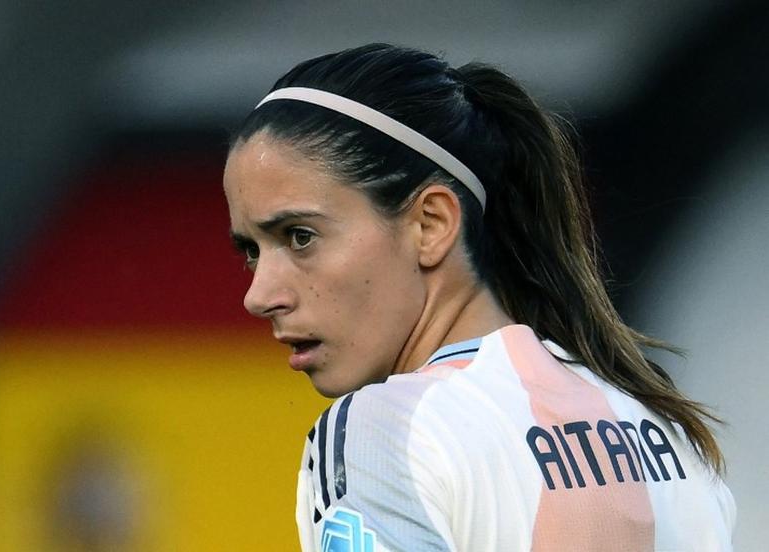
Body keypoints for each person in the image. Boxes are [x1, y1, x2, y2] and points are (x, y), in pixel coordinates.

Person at [222, 44, 735, 551]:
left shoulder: (387, 431)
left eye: (299, 236)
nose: (259, 295)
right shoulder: (661, 427)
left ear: (431, 224)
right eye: (251, 250)